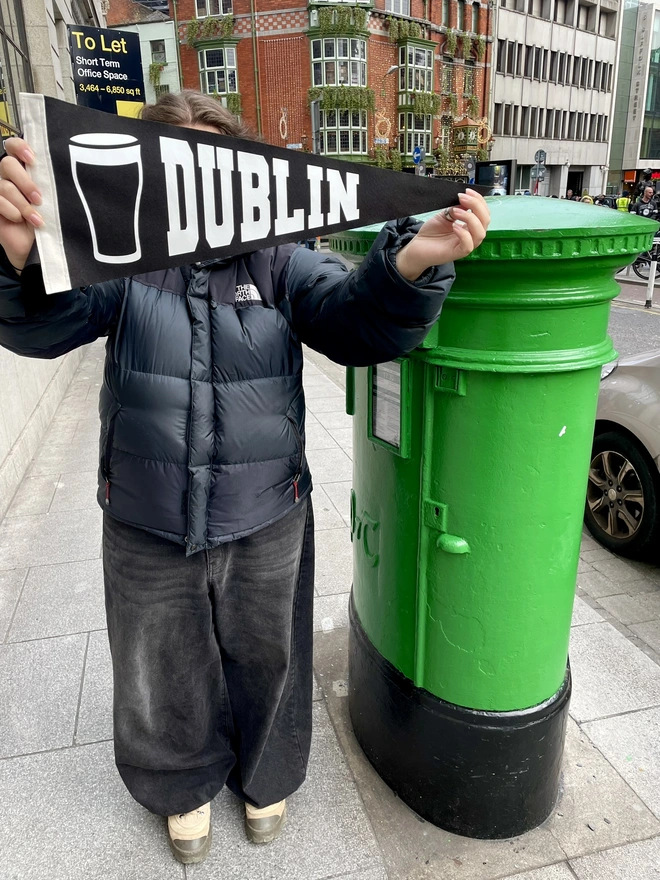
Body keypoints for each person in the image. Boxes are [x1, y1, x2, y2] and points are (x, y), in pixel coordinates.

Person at [0, 91, 490, 865]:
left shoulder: (280, 254)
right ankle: (180, 785)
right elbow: (43, 324)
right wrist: (20, 260)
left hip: (266, 514)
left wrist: (410, 263)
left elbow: (350, 317)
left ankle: (268, 774)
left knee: (270, 654)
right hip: (144, 515)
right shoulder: (119, 255)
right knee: (161, 663)